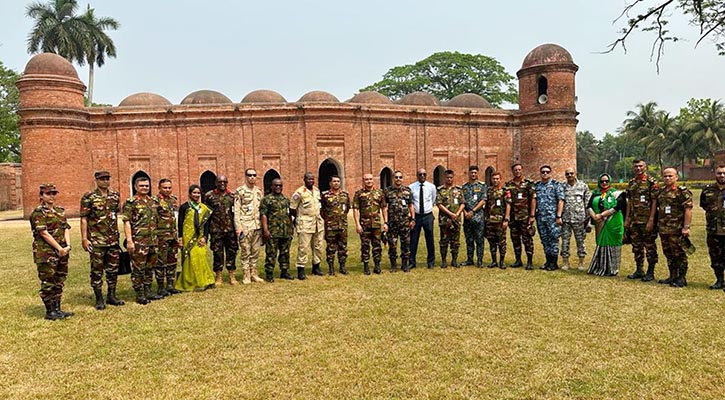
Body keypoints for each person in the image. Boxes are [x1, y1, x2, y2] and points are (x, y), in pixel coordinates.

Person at [80, 170, 124, 310]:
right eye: (102, 179)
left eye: (107, 178)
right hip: (97, 240)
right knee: (97, 270)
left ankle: (111, 295)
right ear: (96, 180)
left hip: (112, 240)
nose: (105, 181)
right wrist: (84, 239)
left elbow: (114, 215)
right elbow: (84, 218)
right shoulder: (89, 197)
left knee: (113, 269)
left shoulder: (115, 196)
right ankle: (99, 298)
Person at [30, 183, 73, 320]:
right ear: (41, 196)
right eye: (48, 194)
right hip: (46, 252)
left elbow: (66, 227)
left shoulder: (59, 210)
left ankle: (57, 309)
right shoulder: (38, 213)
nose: (51, 196)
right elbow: (44, 233)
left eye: (54, 193)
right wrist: (59, 248)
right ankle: (50, 311)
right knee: (48, 281)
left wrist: (67, 245)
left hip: (62, 251)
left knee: (59, 279)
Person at [122, 176, 161, 304]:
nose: (145, 188)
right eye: (142, 186)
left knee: (150, 267)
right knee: (139, 268)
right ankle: (139, 294)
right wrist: (129, 241)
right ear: (135, 187)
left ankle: (148, 291)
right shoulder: (131, 202)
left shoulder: (154, 201)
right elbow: (126, 222)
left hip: (153, 240)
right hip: (139, 241)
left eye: (147, 186)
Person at [655, 167, 693, 287]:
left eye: (670, 176)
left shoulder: (682, 192)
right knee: (668, 253)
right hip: (664, 228)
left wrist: (686, 227)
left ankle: (681, 278)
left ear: (676, 177)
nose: (667, 178)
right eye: (665, 176)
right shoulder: (661, 192)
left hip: (677, 229)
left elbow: (688, 209)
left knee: (679, 254)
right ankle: (672, 276)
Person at [175, 185, 216, 291]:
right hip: (188, 237)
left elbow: (206, 224)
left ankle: (205, 281)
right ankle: (189, 283)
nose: (196, 195)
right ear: (189, 194)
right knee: (189, 259)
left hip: (200, 238)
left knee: (201, 257)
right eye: (194, 193)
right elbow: (180, 223)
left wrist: (205, 237)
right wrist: (180, 238)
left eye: (198, 193)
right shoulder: (184, 207)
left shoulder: (204, 208)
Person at [624, 159, 659, 282]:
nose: (638, 168)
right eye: (636, 167)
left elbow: (655, 201)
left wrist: (651, 219)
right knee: (636, 246)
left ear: (645, 167)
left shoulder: (651, 182)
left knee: (649, 246)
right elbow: (629, 201)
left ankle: (650, 271)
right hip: (634, 220)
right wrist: (627, 218)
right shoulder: (632, 183)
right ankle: (639, 269)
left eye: (640, 166)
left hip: (647, 220)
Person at [587, 174, 627, 276]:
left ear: (610, 181)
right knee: (601, 244)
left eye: (606, 181)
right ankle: (600, 266)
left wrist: (602, 215)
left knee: (613, 245)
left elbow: (617, 207)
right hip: (599, 223)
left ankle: (612, 269)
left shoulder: (617, 193)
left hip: (613, 223)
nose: (604, 183)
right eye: (602, 181)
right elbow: (589, 206)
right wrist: (595, 216)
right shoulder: (595, 193)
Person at [204, 174, 238, 286]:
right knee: (217, 253)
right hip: (216, 230)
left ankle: (232, 275)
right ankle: (218, 276)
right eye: (220, 182)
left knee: (231, 252)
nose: (222, 184)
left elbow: (236, 214)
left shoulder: (232, 196)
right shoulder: (209, 196)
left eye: (224, 182)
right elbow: (206, 214)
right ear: (216, 183)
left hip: (230, 230)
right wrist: (206, 231)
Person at [290, 172, 325, 280]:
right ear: (304, 180)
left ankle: (316, 267)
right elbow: (292, 208)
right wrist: (300, 218)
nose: (310, 181)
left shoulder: (317, 191)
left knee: (318, 246)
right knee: (303, 247)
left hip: (317, 223)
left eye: (312, 179)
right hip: (305, 223)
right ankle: (301, 269)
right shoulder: (299, 192)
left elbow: (320, 206)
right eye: (308, 179)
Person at [233, 168, 264, 284]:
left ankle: (254, 274)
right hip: (245, 226)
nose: (252, 177)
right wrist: (238, 228)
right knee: (245, 251)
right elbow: (236, 211)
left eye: (254, 175)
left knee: (255, 251)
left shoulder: (259, 191)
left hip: (257, 226)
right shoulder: (240, 191)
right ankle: (246, 275)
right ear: (246, 177)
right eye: (249, 175)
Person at [353, 173, 388, 275]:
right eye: (366, 179)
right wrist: (357, 224)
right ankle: (366, 266)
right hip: (364, 224)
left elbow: (384, 208)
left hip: (376, 224)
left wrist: (385, 222)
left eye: (370, 179)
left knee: (377, 245)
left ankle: (377, 265)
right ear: (363, 181)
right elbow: (356, 209)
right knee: (365, 245)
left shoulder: (379, 193)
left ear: (373, 180)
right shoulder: (359, 194)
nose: (369, 181)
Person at [260, 178, 294, 281]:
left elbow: (289, 215)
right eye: (276, 185)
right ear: (272, 186)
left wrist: (291, 228)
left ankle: (284, 271)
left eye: (280, 185)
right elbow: (263, 215)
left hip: (285, 231)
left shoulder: (286, 199)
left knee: (285, 253)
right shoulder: (267, 199)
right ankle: (269, 273)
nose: (278, 187)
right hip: (273, 231)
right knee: (271, 253)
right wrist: (265, 230)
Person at [506, 163, 537, 269]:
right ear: (513, 171)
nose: (517, 171)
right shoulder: (509, 184)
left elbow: (533, 199)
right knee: (515, 239)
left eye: (519, 169)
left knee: (527, 239)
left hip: (525, 217)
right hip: (513, 217)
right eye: (515, 170)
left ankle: (529, 261)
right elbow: (508, 201)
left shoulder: (529, 184)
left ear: (522, 170)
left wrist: (532, 215)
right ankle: (518, 260)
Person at [383, 171, 415, 272]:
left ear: (402, 178)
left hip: (404, 222)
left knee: (405, 244)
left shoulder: (407, 191)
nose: (398, 179)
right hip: (392, 223)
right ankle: (393, 265)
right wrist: (385, 222)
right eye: (396, 177)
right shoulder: (387, 191)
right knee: (392, 245)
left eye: (400, 177)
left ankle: (405, 264)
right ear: (393, 178)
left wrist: (413, 219)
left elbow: (411, 205)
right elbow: (384, 207)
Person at [700, 165, 725, 290]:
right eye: (719, 173)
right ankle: (719, 280)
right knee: (715, 257)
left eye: (724, 173)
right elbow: (704, 206)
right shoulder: (707, 190)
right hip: (713, 230)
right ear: (715, 174)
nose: (722, 175)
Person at [535, 165, 565, 271]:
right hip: (541, 218)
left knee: (554, 239)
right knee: (544, 239)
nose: (545, 174)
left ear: (550, 173)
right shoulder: (537, 186)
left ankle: (554, 262)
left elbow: (561, 200)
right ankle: (548, 261)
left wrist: (558, 215)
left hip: (552, 218)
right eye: (543, 172)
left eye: (547, 172)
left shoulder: (556, 185)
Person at [560, 168, 591, 270]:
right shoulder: (562, 187)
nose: (569, 175)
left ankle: (581, 262)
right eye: (567, 174)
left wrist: (588, 221)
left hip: (579, 219)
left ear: (575, 174)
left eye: (571, 173)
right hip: (566, 219)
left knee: (580, 241)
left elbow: (587, 203)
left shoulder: (583, 186)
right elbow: (560, 201)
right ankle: (565, 262)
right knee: (565, 241)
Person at [154, 178, 180, 296]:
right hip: (161, 237)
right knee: (161, 262)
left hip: (173, 236)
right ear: (159, 188)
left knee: (172, 261)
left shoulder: (173, 200)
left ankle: (170, 284)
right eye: (165, 188)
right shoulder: (155, 201)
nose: (167, 190)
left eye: (169, 187)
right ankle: (161, 287)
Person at [320, 175, 351, 275]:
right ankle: (331, 268)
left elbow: (347, 209)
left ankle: (342, 267)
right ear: (330, 183)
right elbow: (322, 210)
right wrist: (329, 219)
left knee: (343, 247)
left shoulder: (345, 195)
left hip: (342, 226)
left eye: (338, 181)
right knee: (330, 248)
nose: (336, 183)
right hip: (330, 227)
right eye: (334, 181)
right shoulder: (325, 195)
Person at [436, 169, 464, 268]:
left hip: (456, 219)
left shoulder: (458, 190)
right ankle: (444, 260)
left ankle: (454, 260)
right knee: (444, 241)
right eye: (447, 177)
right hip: (444, 219)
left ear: (453, 177)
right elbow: (439, 204)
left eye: (451, 177)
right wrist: (450, 214)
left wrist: (457, 214)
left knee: (455, 241)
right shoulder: (440, 190)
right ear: (445, 177)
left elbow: (462, 203)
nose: (449, 179)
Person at [409, 168, 437, 268]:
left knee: (430, 239)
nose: (422, 176)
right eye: (420, 174)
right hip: (416, 216)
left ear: (426, 175)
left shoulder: (431, 187)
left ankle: (431, 262)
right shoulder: (411, 187)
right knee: (413, 239)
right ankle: (412, 262)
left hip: (428, 215)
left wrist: (428, 208)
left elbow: (433, 199)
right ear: (417, 175)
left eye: (424, 174)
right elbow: (410, 202)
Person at [462, 165, 487, 267]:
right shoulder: (464, 187)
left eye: (475, 172)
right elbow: (462, 201)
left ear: (477, 174)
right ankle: (469, 260)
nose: (473, 174)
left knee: (479, 240)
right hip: (467, 218)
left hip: (478, 218)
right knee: (469, 240)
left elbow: (483, 200)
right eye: (471, 172)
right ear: (469, 174)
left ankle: (480, 260)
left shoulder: (482, 186)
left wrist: (472, 211)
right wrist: (465, 212)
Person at [484, 172, 511, 269]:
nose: (495, 180)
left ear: (500, 179)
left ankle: (502, 261)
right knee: (492, 241)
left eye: (497, 179)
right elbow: (486, 205)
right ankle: (494, 261)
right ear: (491, 180)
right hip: (490, 221)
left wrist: (506, 219)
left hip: (500, 221)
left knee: (502, 242)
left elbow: (508, 205)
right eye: (494, 179)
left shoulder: (505, 191)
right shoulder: (488, 191)